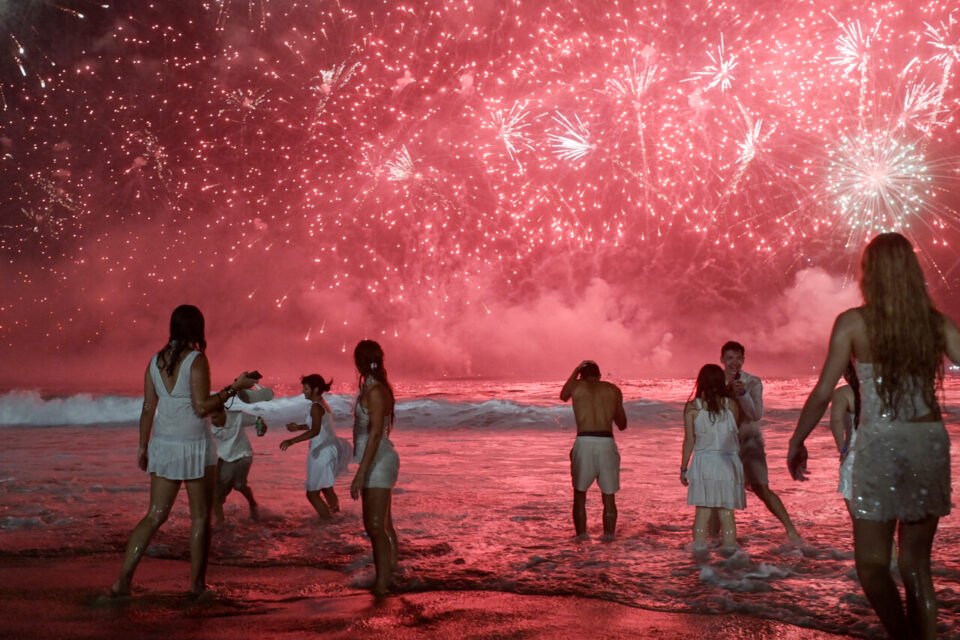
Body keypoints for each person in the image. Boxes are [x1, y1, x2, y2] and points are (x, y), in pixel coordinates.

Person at [787, 232, 959, 639]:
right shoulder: (936, 324)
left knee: (873, 565)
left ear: (871, 274)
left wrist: (797, 440)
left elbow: (825, 389)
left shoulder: (853, 323)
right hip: (928, 441)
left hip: (881, 443)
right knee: (918, 565)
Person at [111, 304, 257, 597]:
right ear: (197, 329)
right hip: (194, 448)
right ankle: (196, 586)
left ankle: (122, 581)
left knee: (154, 515)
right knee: (200, 518)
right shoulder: (196, 360)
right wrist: (234, 388)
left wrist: (142, 446)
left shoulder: (154, 361)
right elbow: (202, 407)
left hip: (163, 445)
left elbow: (148, 407)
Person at [718, 341, 801, 543]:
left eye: (738, 358)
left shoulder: (753, 382)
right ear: (722, 359)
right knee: (720, 493)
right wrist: (726, 392)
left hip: (750, 440)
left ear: (744, 360)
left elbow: (756, 414)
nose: (734, 363)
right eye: (730, 358)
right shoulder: (716, 382)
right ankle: (714, 539)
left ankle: (791, 530)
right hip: (723, 442)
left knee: (761, 487)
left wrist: (743, 394)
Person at [349, 341, 400, 596]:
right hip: (373, 460)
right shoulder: (371, 388)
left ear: (360, 361)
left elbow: (376, 434)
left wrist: (360, 473)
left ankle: (383, 585)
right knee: (383, 524)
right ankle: (391, 570)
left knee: (375, 525)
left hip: (379, 461)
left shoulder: (376, 391)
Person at [559, 360, 627, 539]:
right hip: (606, 441)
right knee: (609, 495)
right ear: (599, 375)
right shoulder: (612, 390)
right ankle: (609, 539)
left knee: (580, 494)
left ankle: (581, 537)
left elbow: (563, 395)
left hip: (584, 440)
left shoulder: (577, 387)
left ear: (581, 375)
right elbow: (622, 424)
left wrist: (575, 370)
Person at [681, 364, 745, 552]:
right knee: (727, 514)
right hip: (728, 462)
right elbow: (737, 433)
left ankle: (699, 555)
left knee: (702, 512)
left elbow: (689, 440)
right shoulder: (731, 405)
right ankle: (731, 553)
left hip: (703, 463)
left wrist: (684, 468)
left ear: (700, 381)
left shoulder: (693, 407)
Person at [280, 374, 352, 519]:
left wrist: (292, 441)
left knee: (312, 493)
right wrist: (298, 427)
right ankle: (336, 517)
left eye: (306, 388)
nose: (303, 391)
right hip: (329, 447)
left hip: (322, 451)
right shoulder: (321, 403)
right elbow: (317, 425)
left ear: (316, 389)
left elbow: (315, 430)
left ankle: (327, 521)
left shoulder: (316, 407)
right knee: (326, 488)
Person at [210, 407, 264, 522]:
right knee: (217, 493)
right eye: (209, 418)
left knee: (239, 484)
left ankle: (253, 504)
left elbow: (258, 419)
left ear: (223, 412)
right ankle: (221, 523)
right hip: (225, 457)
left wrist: (261, 426)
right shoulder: (208, 426)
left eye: (214, 417)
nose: (212, 421)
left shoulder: (237, 416)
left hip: (243, 454)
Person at [830, 362, 860, 517]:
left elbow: (836, 422)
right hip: (885, 454)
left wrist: (842, 449)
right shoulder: (883, 393)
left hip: (855, 455)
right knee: (882, 522)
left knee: (859, 519)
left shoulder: (843, 393)